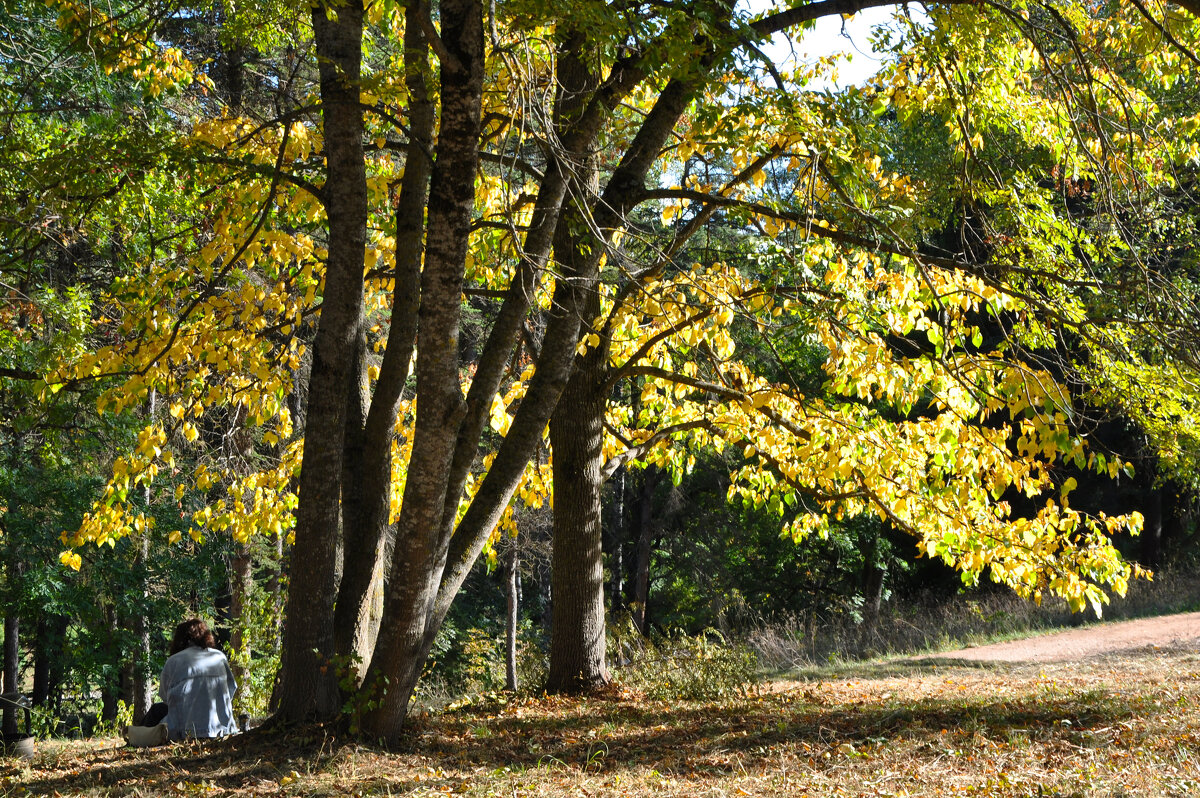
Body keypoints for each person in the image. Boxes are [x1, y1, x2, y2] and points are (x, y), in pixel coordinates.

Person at [153, 618, 239, 741]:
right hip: (222, 728)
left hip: (184, 731)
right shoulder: (219, 657)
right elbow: (231, 689)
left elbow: (165, 697)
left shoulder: (173, 661)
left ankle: (136, 736)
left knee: (155, 711)